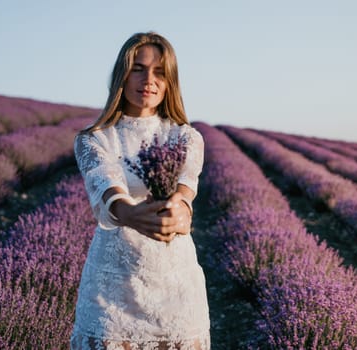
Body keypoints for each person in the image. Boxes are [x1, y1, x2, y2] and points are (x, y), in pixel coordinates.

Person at [70, 31, 210, 349]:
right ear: (123, 73)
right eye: (138, 68)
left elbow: (186, 190)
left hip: (174, 280)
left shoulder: (187, 137)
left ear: (170, 81)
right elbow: (107, 188)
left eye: (159, 71)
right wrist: (130, 213)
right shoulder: (94, 138)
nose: (149, 79)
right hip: (112, 282)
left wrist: (180, 211)